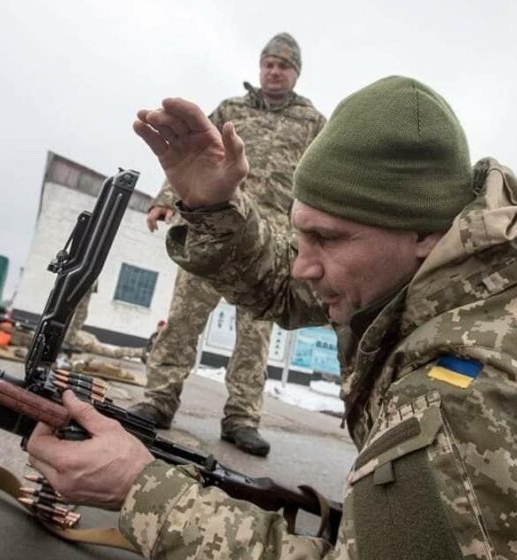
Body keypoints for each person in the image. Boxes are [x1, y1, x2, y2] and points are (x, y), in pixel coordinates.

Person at [27, 76, 517, 558]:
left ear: (424, 232)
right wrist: (211, 207)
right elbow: (278, 282)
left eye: (328, 240)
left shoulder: (488, 385)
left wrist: (140, 490)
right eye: (302, 234)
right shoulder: (430, 267)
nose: (303, 267)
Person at [130, 32, 326, 457]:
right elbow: (190, 155)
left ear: (296, 73)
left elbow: (322, 180)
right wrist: (167, 199)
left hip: (270, 239)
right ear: (260, 67)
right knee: (183, 315)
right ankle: (159, 398)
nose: (275, 71)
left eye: (284, 65)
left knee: (255, 333)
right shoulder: (231, 110)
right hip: (214, 225)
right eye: (269, 63)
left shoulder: (313, 122)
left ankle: (242, 417)